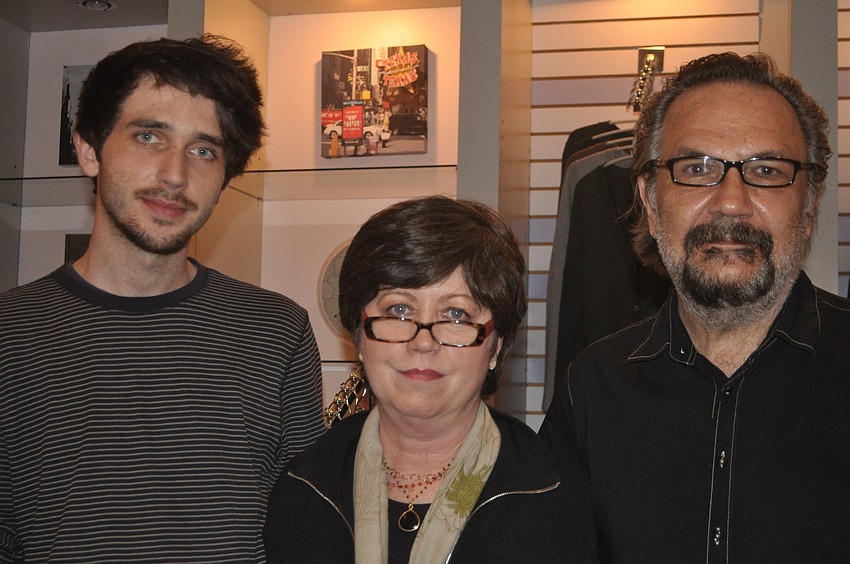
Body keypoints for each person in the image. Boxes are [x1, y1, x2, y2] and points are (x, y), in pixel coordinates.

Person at [0, 35, 325, 562]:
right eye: (149, 136)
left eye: (204, 150)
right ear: (88, 149)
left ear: (226, 178)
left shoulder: (274, 331)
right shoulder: (12, 334)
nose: (176, 174)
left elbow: (303, 532)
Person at [539, 52, 850, 563]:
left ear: (810, 204)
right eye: (697, 169)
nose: (731, 201)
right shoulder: (591, 387)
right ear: (650, 202)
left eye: (766, 170)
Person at [264, 196, 598, 563]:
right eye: (398, 310)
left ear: (496, 346)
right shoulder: (303, 488)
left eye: (455, 314)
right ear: (359, 337)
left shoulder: (554, 497)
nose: (423, 342)